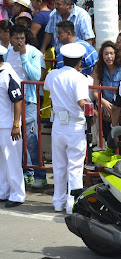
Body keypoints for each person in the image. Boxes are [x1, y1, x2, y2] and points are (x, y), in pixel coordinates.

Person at [44, 42, 96, 213]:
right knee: (74, 166)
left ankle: (58, 202)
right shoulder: (79, 79)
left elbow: (48, 88)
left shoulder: (53, 75)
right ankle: (72, 203)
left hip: (59, 123)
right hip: (75, 125)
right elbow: (82, 102)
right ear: (79, 61)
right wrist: (94, 113)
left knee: (59, 165)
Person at [5, 24, 47, 188]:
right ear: (10, 38)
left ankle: (40, 174)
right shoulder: (8, 52)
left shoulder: (33, 52)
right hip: (11, 101)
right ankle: (26, 172)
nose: (20, 41)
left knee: (31, 139)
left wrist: (23, 56)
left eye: (22, 38)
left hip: (28, 100)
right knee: (15, 138)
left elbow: (36, 76)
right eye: (16, 38)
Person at [0, 44, 25, 208]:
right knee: (2, 161)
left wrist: (16, 124)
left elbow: (17, 100)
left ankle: (17, 195)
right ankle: (3, 191)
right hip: (1, 123)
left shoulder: (8, 74)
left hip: (9, 125)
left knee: (12, 160)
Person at [92, 40, 121, 140]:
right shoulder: (98, 68)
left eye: (111, 53)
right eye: (106, 54)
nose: (109, 57)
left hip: (120, 110)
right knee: (108, 140)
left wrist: (116, 106)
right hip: (105, 111)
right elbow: (95, 91)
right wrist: (104, 103)